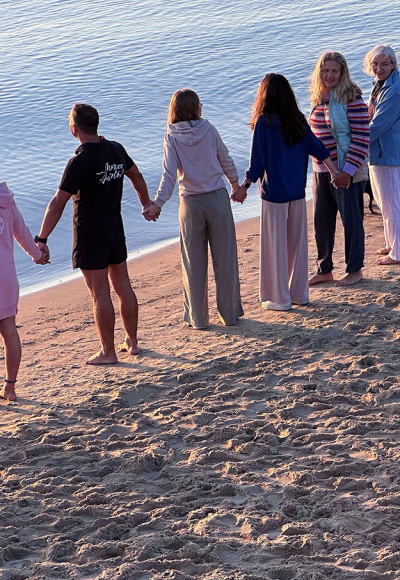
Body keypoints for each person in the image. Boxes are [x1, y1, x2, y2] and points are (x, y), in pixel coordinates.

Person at [36, 103, 153, 365]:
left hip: (90, 234)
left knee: (100, 294)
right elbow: (136, 175)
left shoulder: (79, 161)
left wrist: (41, 239)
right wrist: (145, 203)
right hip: (115, 228)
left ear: (73, 129)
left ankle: (108, 352)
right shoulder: (115, 149)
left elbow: (57, 203)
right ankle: (132, 343)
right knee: (123, 287)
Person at [232, 74, 343, 311]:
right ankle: (299, 294)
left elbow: (257, 162)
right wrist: (334, 172)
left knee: (276, 247)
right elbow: (319, 149)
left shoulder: (264, 122)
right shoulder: (298, 120)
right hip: (297, 193)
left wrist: (244, 187)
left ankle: (280, 299)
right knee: (296, 245)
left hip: (274, 194)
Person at [145, 89, 244, 329]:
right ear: (197, 107)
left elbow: (169, 174)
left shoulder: (171, 135)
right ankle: (229, 315)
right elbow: (225, 159)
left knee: (193, 262)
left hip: (190, 202)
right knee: (225, 259)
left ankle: (198, 319)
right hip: (217, 199)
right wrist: (236, 185)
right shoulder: (209, 129)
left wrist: (157, 203)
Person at [307, 51, 370, 286]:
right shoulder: (318, 96)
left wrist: (347, 171)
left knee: (351, 221)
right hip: (321, 170)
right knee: (321, 222)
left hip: (346, 170)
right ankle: (324, 269)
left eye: (335, 71)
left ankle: (355, 270)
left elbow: (362, 138)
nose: (330, 75)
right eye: (325, 71)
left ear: (343, 72)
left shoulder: (351, 98)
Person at [363, 45, 400, 265]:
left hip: (388, 153)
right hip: (378, 152)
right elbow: (369, 115)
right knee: (383, 202)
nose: (379, 68)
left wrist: (352, 141)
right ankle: (392, 244)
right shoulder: (380, 86)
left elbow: (378, 125)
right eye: (375, 64)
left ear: (393, 64)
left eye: (384, 64)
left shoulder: (396, 90)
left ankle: (399, 252)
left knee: (391, 203)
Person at [0, 183, 45, 400]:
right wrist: (36, 255)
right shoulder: (6, 199)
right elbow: (23, 233)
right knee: (9, 331)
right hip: (6, 279)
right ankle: (10, 388)